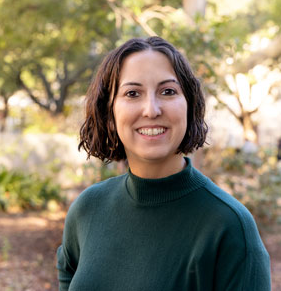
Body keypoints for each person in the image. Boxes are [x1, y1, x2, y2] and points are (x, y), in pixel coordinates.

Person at [56, 37, 271, 291]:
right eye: (132, 93)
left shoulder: (229, 227)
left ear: (189, 106)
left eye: (168, 91)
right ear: (109, 111)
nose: (151, 109)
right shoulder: (86, 210)